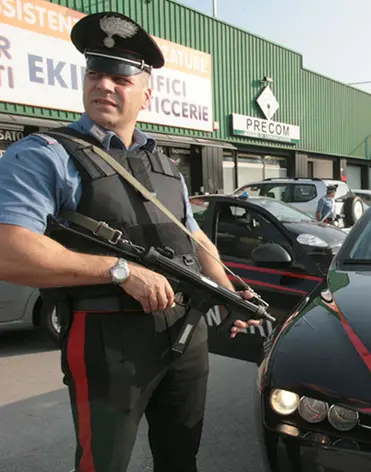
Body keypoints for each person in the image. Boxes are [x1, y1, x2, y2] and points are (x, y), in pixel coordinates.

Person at [0, 11, 260, 472]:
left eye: (120, 77)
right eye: (96, 74)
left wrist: (227, 290)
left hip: (185, 333)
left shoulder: (165, 165)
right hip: (106, 336)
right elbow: (8, 248)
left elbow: (194, 237)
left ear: (146, 92)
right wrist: (117, 270)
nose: (105, 86)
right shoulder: (47, 156)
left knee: (181, 458)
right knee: (105, 462)